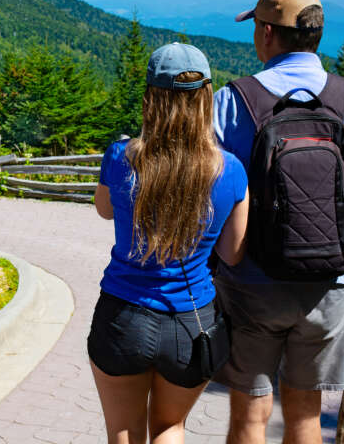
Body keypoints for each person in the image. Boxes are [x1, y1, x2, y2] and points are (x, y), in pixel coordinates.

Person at [213, 0, 344, 444]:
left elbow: (209, 184)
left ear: (265, 33)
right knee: (303, 419)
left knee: (249, 418)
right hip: (333, 281)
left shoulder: (233, 98)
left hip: (253, 279)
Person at [89, 42, 250, 444]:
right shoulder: (230, 170)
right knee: (171, 427)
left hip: (122, 316)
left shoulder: (120, 156)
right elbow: (233, 252)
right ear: (206, 98)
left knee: (123, 433)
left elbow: (104, 210)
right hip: (192, 322)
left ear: (150, 98)